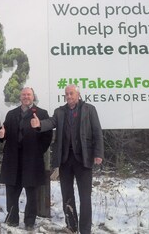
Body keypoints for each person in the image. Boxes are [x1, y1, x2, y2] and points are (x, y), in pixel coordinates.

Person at [31, 84, 104, 234]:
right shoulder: (60, 111)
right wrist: (39, 125)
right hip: (65, 160)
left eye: (71, 93)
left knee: (85, 197)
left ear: (78, 94)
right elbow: (51, 122)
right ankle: (71, 226)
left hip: (84, 159)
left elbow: (97, 132)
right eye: (67, 94)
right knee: (67, 195)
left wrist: (98, 154)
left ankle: (85, 230)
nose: (69, 96)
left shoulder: (89, 109)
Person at [0, 87, 52, 231]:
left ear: (33, 97)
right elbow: (5, 132)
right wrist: (2, 135)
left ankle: (29, 221)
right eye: (23, 94)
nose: (26, 97)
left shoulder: (41, 113)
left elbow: (47, 137)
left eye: (29, 94)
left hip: (32, 159)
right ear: (20, 97)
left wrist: (38, 150)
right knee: (12, 191)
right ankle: (12, 219)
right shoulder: (11, 114)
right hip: (13, 159)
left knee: (31, 192)